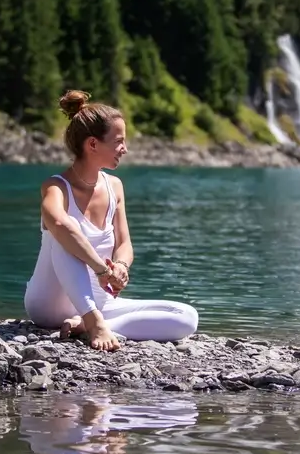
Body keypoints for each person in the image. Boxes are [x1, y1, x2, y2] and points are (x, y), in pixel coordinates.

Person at [24, 90, 198, 351]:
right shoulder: (55, 187)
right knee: (65, 233)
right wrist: (102, 270)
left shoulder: (115, 186)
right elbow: (59, 224)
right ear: (92, 144)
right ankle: (93, 321)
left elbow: (125, 243)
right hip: (49, 305)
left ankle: (89, 323)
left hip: (101, 301)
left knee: (186, 316)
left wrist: (120, 267)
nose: (124, 149)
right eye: (119, 141)